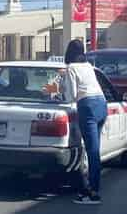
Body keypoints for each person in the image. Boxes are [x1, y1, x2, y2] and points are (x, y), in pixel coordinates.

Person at [44, 39, 107, 204]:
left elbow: (70, 96)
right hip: (101, 104)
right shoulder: (87, 65)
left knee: (92, 152)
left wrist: (57, 89)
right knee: (94, 151)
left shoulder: (71, 68)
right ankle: (91, 187)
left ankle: (93, 193)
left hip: (87, 106)